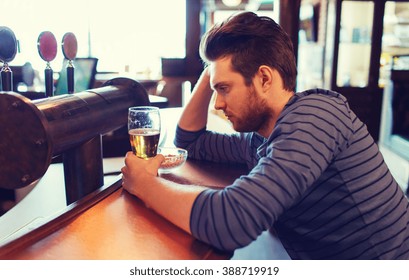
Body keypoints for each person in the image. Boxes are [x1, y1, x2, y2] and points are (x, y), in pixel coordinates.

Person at [121, 11, 409, 259]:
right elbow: (190, 141)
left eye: (224, 89)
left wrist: (143, 183)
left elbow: (231, 222)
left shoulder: (317, 114)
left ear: (264, 79)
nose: (218, 103)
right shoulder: (261, 139)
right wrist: (214, 71)